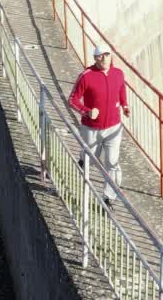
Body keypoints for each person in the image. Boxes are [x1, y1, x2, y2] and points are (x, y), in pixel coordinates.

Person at [68, 46, 129, 205]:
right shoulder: (86, 76)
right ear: (95, 58)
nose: (104, 59)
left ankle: (109, 197)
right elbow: (72, 100)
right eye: (99, 56)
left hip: (114, 128)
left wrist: (125, 105)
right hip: (91, 128)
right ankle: (84, 157)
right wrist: (86, 111)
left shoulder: (118, 74)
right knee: (92, 159)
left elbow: (121, 89)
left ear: (111, 56)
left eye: (106, 55)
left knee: (112, 162)